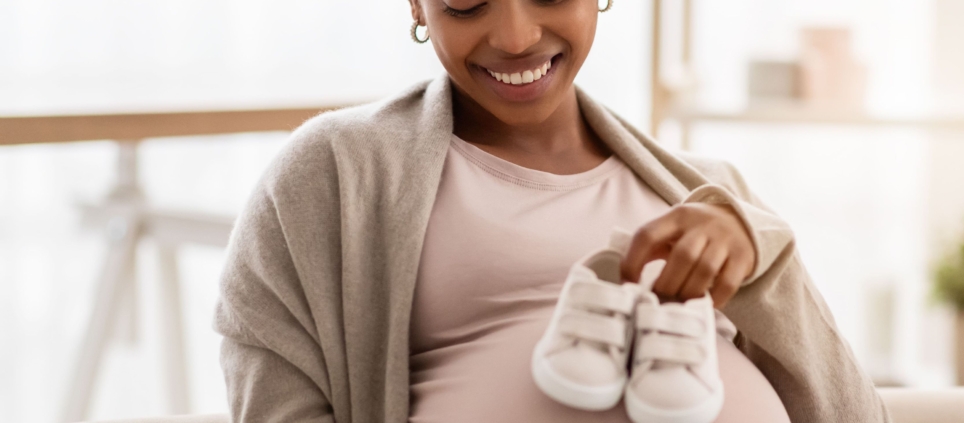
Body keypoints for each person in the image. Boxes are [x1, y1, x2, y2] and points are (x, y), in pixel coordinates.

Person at [213, 0, 889, 422]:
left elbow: (848, 406)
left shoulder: (708, 190)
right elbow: (274, 384)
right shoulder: (336, 173)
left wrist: (760, 252)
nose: (513, 34)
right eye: (466, 0)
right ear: (417, 5)